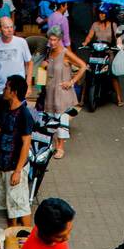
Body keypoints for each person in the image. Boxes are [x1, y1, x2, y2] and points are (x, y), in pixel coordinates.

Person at [0, 74, 36, 227]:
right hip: (3, 164)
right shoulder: (5, 108)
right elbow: (0, 135)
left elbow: (26, 144)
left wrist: (18, 171)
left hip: (15, 166)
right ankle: (11, 234)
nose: (4, 90)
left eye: (7, 87)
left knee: (20, 205)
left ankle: (27, 236)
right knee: (9, 206)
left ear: (14, 92)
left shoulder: (24, 115)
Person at [41, 27, 85, 159]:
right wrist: (46, 64)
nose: (52, 42)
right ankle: (54, 145)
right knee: (51, 119)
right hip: (51, 91)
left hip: (62, 93)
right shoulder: (50, 52)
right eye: (50, 39)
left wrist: (72, 81)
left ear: (60, 40)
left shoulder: (66, 53)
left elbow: (83, 66)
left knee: (61, 120)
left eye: (54, 40)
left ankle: (61, 148)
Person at [0, 16, 34, 107]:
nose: (10, 30)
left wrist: (28, 85)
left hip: (17, 91)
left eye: (11, 27)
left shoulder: (21, 42)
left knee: (17, 118)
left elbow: (30, 63)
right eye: (6, 27)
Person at [81, 5, 124, 106]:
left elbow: (118, 37)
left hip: (108, 52)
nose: (101, 15)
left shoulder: (113, 25)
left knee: (113, 74)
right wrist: (85, 43)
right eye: (100, 13)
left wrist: (120, 44)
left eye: (103, 13)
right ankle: (82, 99)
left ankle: (119, 98)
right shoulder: (95, 24)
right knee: (88, 73)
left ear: (108, 14)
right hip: (95, 53)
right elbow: (89, 36)